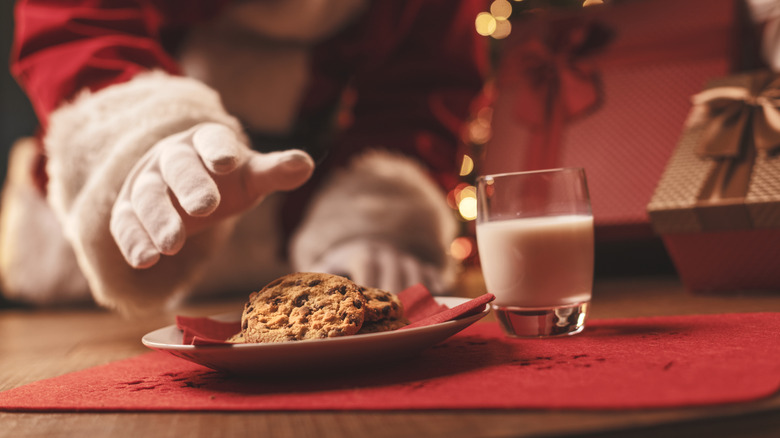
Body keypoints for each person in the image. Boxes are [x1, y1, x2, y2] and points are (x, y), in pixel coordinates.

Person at [0, 0, 488, 315]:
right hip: (84, 294)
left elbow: (424, 88)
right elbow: (73, 28)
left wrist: (375, 221)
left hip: (294, 254)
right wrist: (140, 141)